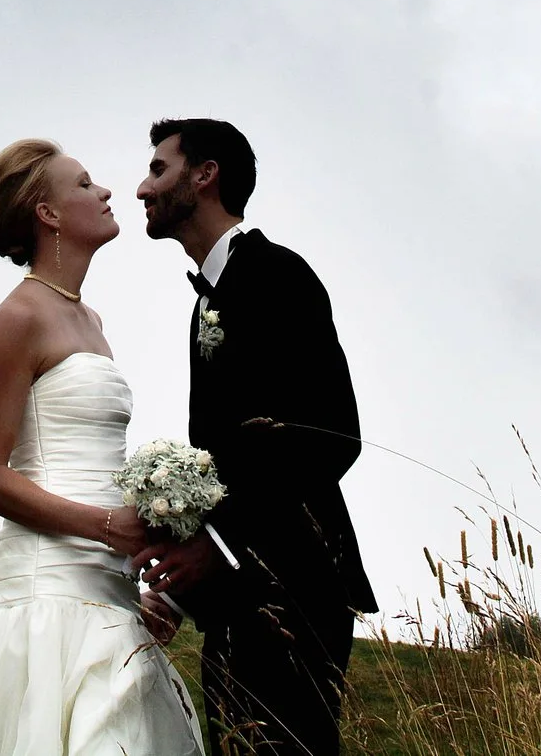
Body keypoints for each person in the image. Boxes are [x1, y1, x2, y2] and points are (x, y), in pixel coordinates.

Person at [0, 138, 207, 756]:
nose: (107, 190)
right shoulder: (16, 319)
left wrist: (134, 577)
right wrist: (110, 527)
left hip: (107, 587)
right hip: (47, 592)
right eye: (83, 184)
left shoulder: (91, 321)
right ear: (47, 214)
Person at [131, 119, 373, 756]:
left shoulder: (276, 273)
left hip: (294, 595)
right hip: (242, 604)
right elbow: (228, 467)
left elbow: (333, 435)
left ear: (205, 175)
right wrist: (181, 592)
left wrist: (220, 546)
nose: (140, 188)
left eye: (158, 170)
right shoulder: (205, 300)